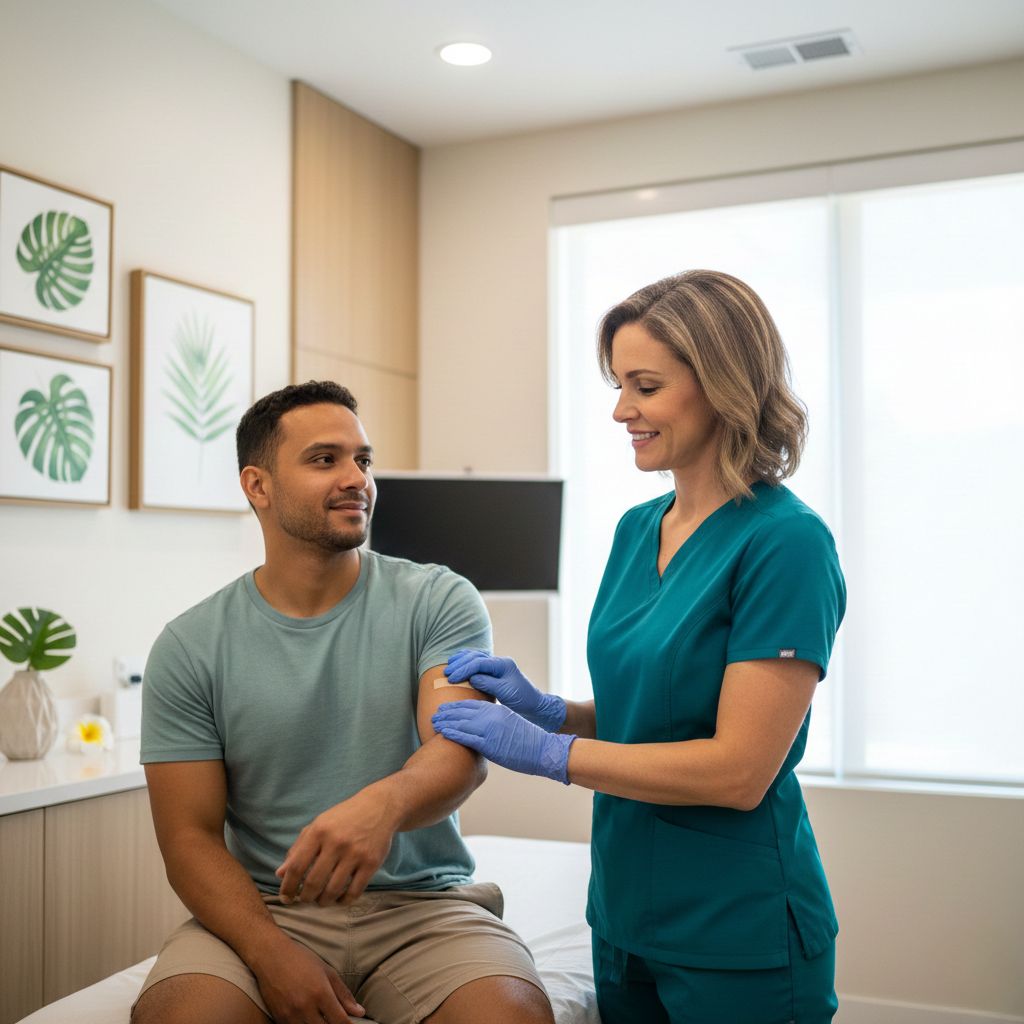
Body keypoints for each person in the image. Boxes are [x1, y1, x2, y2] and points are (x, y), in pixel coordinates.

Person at [432, 270, 846, 1024]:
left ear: (723, 385)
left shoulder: (786, 543)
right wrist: (556, 712)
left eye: (645, 386)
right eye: (619, 385)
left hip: (735, 927)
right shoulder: (635, 532)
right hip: (623, 911)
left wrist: (549, 754)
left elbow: (739, 770)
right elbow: (653, 710)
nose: (622, 410)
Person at [133, 381, 554, 1024]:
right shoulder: (189, 646)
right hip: (263, 910)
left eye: (363, 459)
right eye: (324, 459)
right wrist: (271, 954)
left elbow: (459, 753)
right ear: (258, 485)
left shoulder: (438, 600)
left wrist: (380, 807)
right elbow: (187, 838)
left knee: (511, 1015)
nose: (356, 477)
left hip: (423, 907)